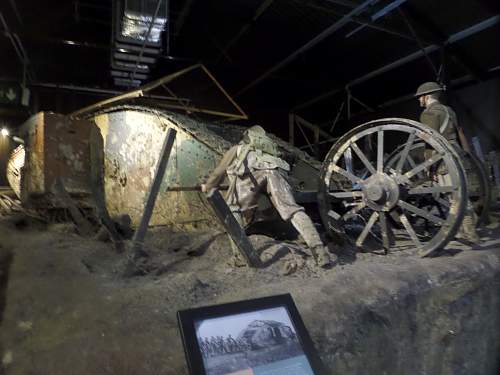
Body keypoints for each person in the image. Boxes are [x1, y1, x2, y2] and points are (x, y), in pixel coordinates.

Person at [201, 125, 333, 268]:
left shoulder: (237, 150)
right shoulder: (269, 153)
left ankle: (240, 257)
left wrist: (208, 186)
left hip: (251, 175)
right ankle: (320, 253)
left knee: (233, 210)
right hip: (275, 172)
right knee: (293, 210)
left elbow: (219, 172)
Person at [415, 81, 479, 243]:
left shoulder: (429, 114)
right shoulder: (449, 111)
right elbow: (459, 133)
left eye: (420, 97)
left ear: (426, 97)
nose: (419, 100)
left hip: (443, 158)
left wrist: (429, 167)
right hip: (456, 154)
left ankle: (469, 230)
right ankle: (462, 230)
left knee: (454, 196)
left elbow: (431, 141)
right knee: (459, 193)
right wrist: (467, 154)